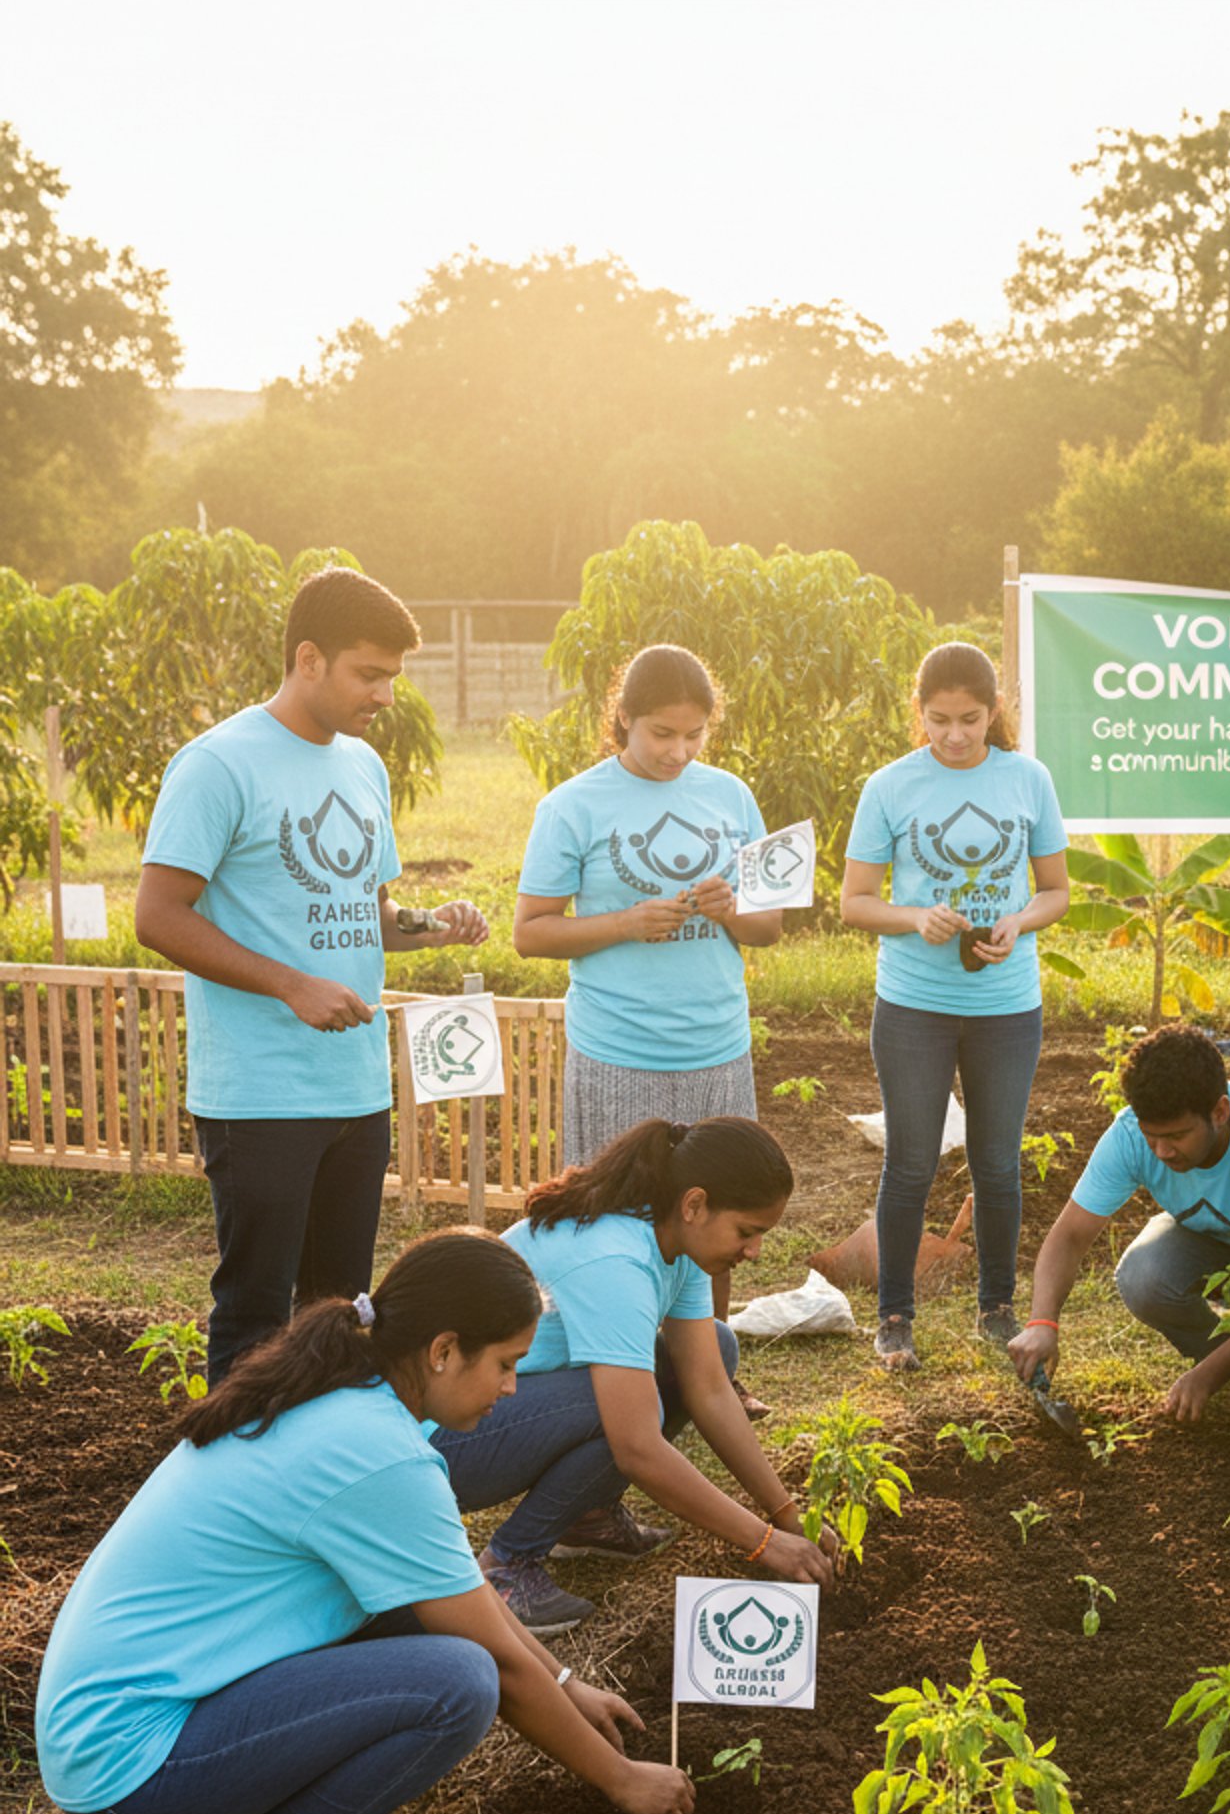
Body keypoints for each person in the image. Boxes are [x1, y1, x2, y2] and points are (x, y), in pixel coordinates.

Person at [35, 1229, 694, 1814]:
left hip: (135, 1721)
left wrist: (570, 1682)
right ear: (444, 1350)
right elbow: (502, 1669)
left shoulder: (351, 1396)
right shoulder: (376, 1453)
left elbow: (464, 1598)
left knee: (433, 1627)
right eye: (507, 1364)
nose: (513, 1387)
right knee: (458, 1683)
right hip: (132, 1774)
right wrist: (619, 1779)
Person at [135, 568, 488, 1382]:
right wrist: (292, 985)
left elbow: (364, 910)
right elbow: (158, 916)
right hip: (260, 1093)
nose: (385, 696)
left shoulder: (363, 767)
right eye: (370, 674)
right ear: (308, 659)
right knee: (257, 1315)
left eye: (392, 678)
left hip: (355, 1091)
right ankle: (232, 1491)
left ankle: (311, 1485)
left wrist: (432, 928)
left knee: (338, 1312)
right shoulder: (218, 765)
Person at [432, 1116, 837, 1631]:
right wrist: (763, 1542)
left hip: (511, 1409)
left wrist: (785, 1513)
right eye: (747, 1231)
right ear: (694, 1205)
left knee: (715, 1345)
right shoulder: (614, 1259)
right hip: (440, 1445)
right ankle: (505, 1568)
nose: (755, 1251)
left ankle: (585, 1517)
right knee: (619, 1410)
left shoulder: (674, 1242)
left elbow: (710, 1388)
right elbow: (638, 1447)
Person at [513, 644, 783, 1375]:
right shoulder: (572, 805)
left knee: (720, 1218)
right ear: (623, 720)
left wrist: (734, 912)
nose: (679, 751)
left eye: (694, 735)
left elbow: (770, 927)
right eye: (662, 733)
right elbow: (530, 931)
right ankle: (609, 1371)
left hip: (715, 1043)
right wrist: (626, 923)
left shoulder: (731, 797)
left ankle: (711, 1372)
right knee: (612, 1223)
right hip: (617, 1050)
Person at [840, 643, 1070, 1370]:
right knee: (910, 1163)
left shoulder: (1027, 779)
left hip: (1007, 1004)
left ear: (994, 711)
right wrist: (915, 918)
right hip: (914, 1004)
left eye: (970, 719)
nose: (955, 736)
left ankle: (996, 1307)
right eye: (939, 720)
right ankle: (895, 1317)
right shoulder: (889, 787)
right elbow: (854, 902)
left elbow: (1056, 891)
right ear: (920, 714)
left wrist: (1019, 923)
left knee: (996, 1162)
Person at [1007, 1023, 1230, 1420]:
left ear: (1219, 1112)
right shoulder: (1131, 1135)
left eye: (1178, 1135)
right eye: (1152, 1135)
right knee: (1144, 1276)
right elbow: (1070, 1236)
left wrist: (1206, 1377)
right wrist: (1042, 1322)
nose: (1162, 1151)